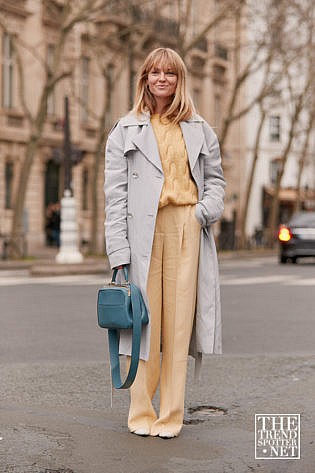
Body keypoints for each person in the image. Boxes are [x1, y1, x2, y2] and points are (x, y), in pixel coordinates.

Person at [104, 47, 225, 439]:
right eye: (154, 72)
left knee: (176, 328)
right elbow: (115, 197)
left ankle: (171, 415)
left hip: (186, 226)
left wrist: (202, 211)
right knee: (144, 325)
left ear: (179, 79)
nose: (161, 79)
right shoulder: (125, 129)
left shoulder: (199, 128)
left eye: (169, 73)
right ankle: (141, 412)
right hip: (143, 231)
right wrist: (118, 252)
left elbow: (216, 182)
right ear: (145, 78)